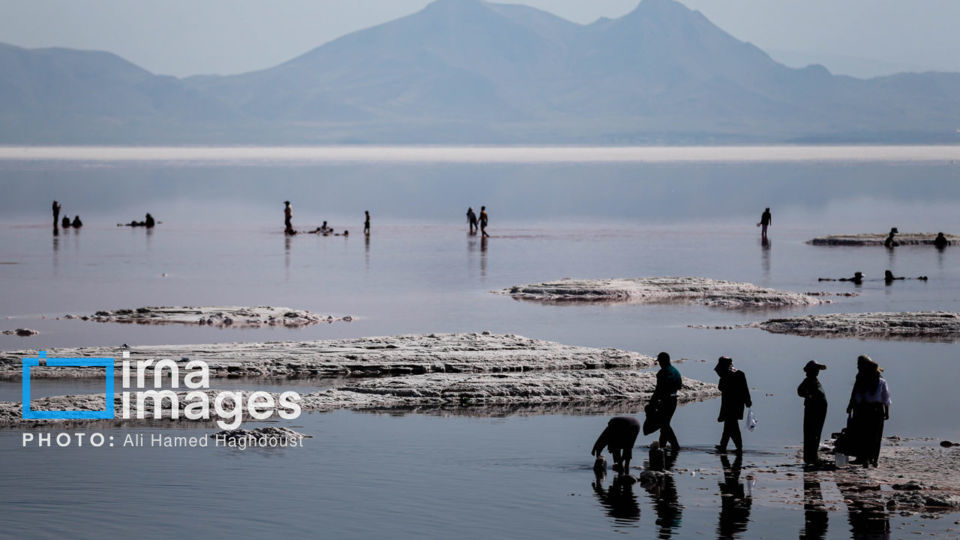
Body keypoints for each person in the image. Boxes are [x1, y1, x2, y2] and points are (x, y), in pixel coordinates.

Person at [846, 355, 890, 467]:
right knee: (872, 435)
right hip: (872, 409)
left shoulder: (867, 380)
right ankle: (870, 458)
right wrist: (887, 412)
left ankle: (866, 458)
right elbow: (886, 399)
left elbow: (856, 394)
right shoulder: (871, 380)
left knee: (866, 434)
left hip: (866, 409)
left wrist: (851, 406)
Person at [715, 356, 752, 454]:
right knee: (729, 426)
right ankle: (724, 445)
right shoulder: (740, 373)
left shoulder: (725, 374)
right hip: (738, 404)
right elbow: (745, 389)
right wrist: (748, 401)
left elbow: (720, 387)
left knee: (732, 427)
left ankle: (738, 447)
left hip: (728, 405)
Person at [797, 361, 828, 466]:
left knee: (816, 433)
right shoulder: (808, 381)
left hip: (819, 409)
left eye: (817, 370)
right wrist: (809, 395)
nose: (817, 372)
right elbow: (800, 391)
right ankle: (810, 457)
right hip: (812, 409)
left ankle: (813, 456)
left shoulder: (814, 380)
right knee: (811, 433)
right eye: (815, 370)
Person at [651, 352, 682, 451]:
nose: (659, 363)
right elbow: (679, 386)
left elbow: (658, 390)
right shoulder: (676, 371)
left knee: (664, 424)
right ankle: (662, 445)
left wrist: (652, 402)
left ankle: (675, 445)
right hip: (674, 400)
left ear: (663, 361)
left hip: (665, 401)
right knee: (664, 423)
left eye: (660, 361)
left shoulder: (662, 373)